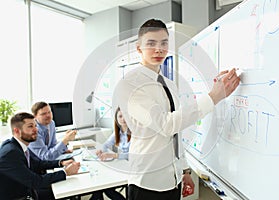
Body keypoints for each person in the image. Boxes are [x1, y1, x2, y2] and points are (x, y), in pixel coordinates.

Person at [112, 19, 240, 200]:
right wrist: (213, 97)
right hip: (147, 182)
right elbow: (166, 125)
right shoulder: (129, 85)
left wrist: (184, 170)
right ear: (139, 48)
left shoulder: (170, 85)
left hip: (173, 180)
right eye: (151, 43)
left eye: (164, 43)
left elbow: (175, 134)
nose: (159, 49)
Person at [0, 112, 80, 200]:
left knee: (63, 191)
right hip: (19, 196)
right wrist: (65, 172)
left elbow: (36, 164)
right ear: (16, 131)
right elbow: (35, 181)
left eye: (35, 125)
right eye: (30, 126)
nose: (36, 129)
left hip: (26, 190)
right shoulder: (11, 153)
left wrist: (60, 163)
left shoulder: (17, 146)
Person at [89, 107, 130, 200]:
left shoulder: (135, 133)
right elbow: (106, 144)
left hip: (132, 167)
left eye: (125, 116)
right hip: (122, 164)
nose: (123, 119)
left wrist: (113, 155)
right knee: (101, 184)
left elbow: (132, 155)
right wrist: (101, 150)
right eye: (120, 116)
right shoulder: (118, 132)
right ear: (117, 119)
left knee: (104, 187)